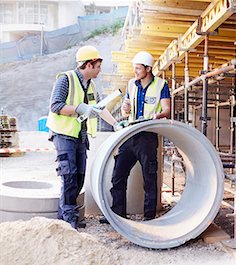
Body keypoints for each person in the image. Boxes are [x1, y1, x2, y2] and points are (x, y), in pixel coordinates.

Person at [47, 45, 120, 229]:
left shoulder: (91, 85)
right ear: (88, 64)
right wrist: (79, 108)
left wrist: (116, 124)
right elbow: (55, 106)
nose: (99, 70)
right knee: (69, 175)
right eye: (97, 66)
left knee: (79, 178)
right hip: (64, 135)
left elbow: (99, 109)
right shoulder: (66, 79)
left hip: (80, 137)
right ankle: (69, 220)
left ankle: (64, 218)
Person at [101, 51, 171, 223]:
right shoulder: (132, 84)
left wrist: (158, 116)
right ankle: (117, 213)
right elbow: (126, 111)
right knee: (118, 175)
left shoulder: (161, 85)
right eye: (134, 68)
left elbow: (167, 110)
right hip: (130, 135)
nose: (135, 71)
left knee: (149, 177)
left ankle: (149, 217)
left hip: (147, 137)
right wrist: (125, 108)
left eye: (138, 68)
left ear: (148, 69)